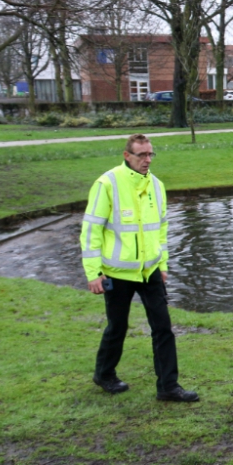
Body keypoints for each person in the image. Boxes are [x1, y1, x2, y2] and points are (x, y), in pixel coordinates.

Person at [80, 134, 198, 402]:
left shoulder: (157, 185)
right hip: (117, 273)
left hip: (150, 271)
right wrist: (93, 273)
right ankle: (104, 374)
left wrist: (163, 265)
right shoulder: (107, 183)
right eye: (141, 155)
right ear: (127, 156)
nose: (147, 160)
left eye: (150, 154)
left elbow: (161, 229)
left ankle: (168, 387)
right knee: (117, 327)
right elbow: (91, 230)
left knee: (163, 328)